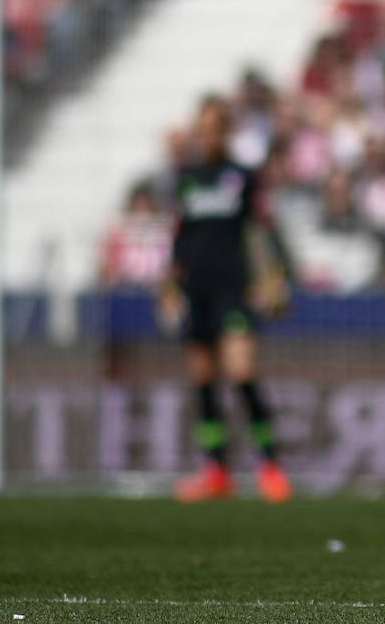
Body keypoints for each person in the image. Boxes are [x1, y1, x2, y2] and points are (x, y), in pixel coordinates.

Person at [160, 95, 294, 504]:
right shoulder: (186, 178)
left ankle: (270, 466)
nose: (209, 135)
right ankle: (216, 471)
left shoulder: (241, 177)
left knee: (241, 373)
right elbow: (179, 238)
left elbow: (263, 229)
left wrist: (271, 277)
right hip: (196, 291)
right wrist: (169, 288)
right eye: (203, 129)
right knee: (203, 381)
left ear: (226, 131)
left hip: (233, 290)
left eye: (215, 128)